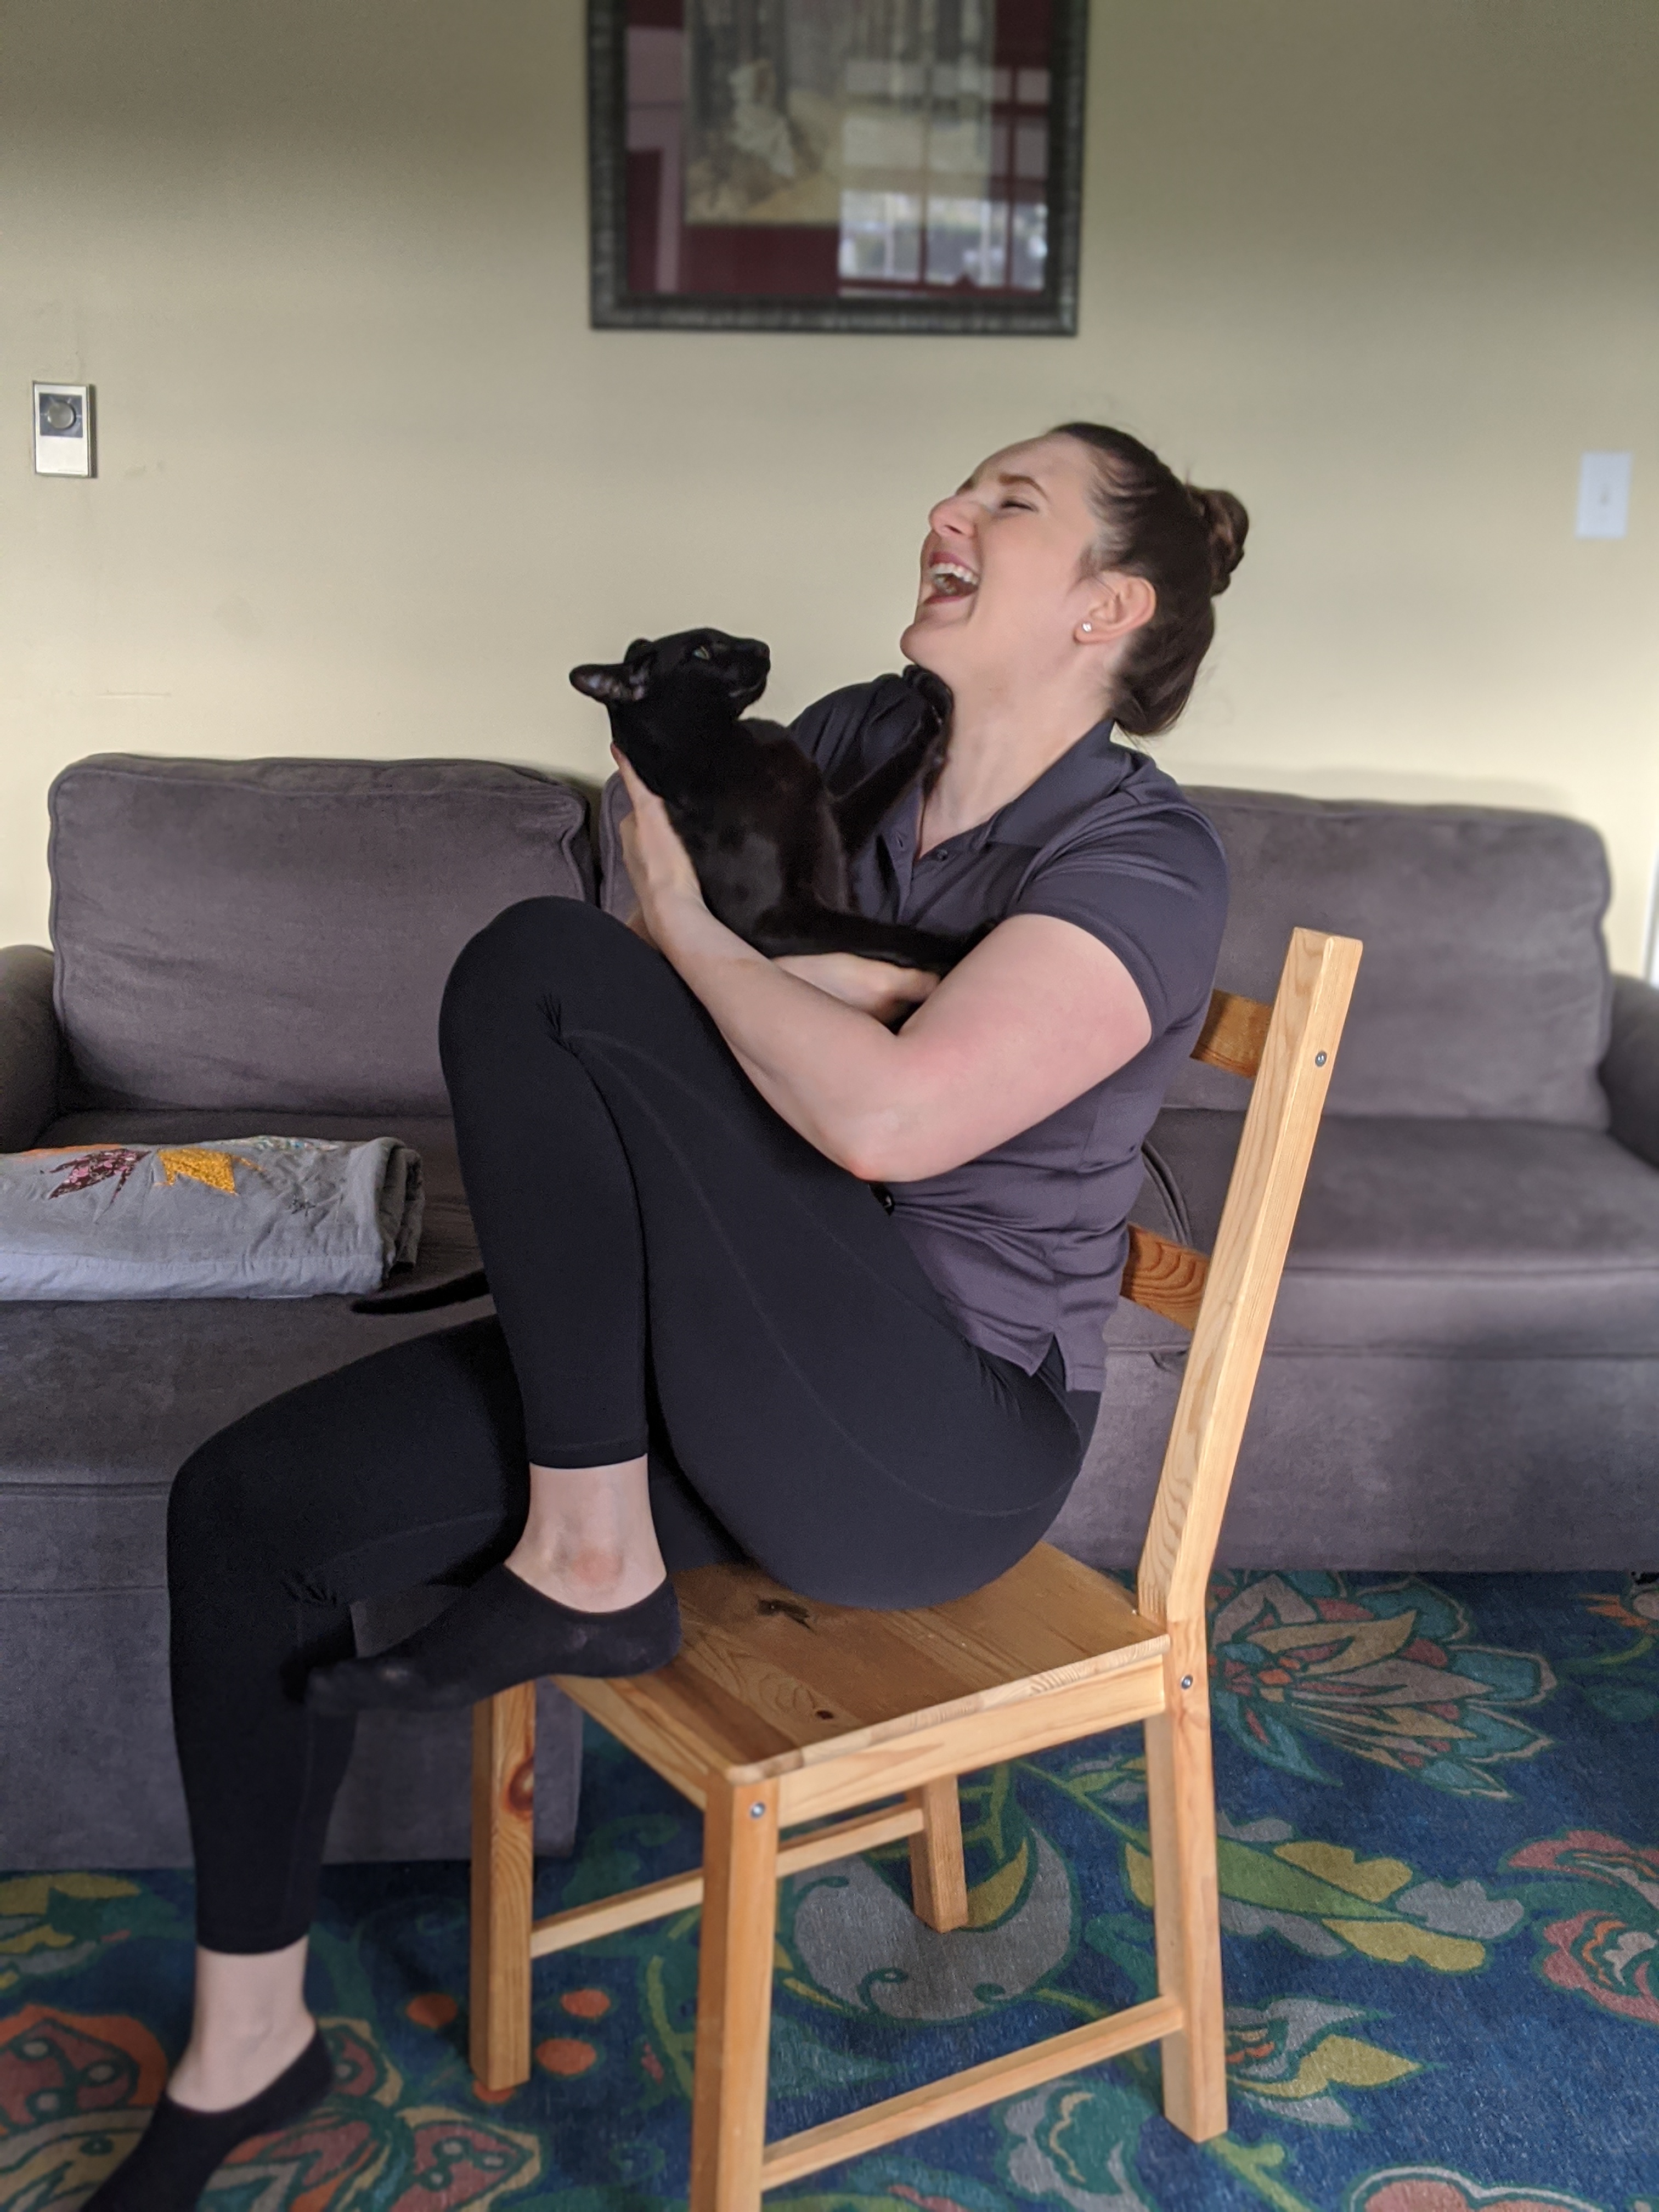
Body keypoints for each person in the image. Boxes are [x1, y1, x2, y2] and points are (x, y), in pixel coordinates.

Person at [87, 422, 1245, 2210]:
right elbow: (637, 1001)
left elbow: (884, 1118)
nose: (948, 510)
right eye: (961, 484)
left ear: (1110, 607)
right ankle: (250, 2038)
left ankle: (589, 1543)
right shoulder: (857, 740)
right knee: (248, 1508)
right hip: (728, 1342)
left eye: (1010, 503)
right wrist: (775, 972)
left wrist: (707, 940)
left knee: (537, 966)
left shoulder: (1141, 859)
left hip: (933, 1437)